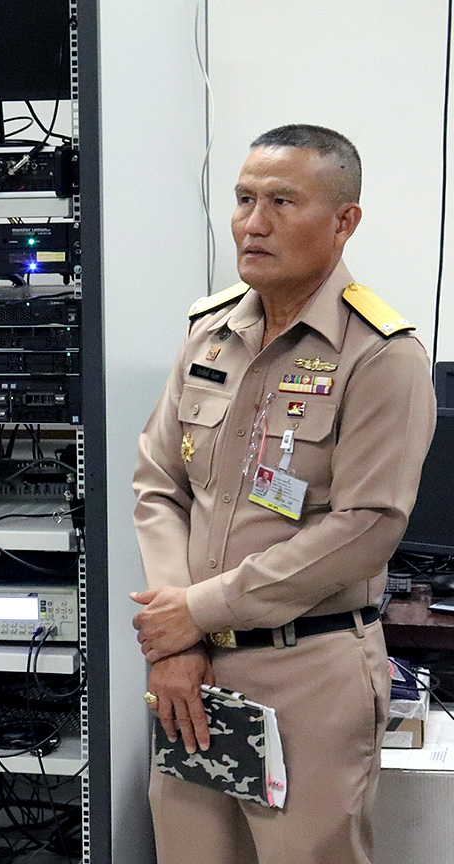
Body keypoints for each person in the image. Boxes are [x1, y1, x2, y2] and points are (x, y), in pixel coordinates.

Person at [130, 124, 436, 864]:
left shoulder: (381, 355)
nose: (253, 223)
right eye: (243, 199)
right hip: (191, 670)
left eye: (281, 201)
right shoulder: (209, 332)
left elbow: (367, 527)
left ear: (343, 221)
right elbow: (159, 484)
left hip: (309, 673)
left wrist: (198, 610)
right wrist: (178, 635)